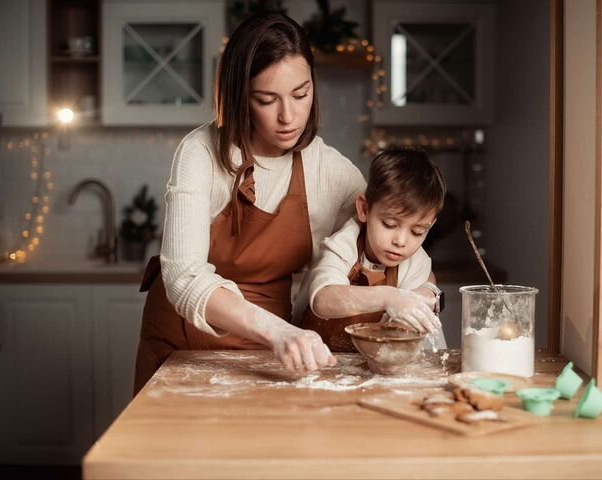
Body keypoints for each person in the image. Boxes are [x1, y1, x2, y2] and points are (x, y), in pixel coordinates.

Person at [133, 12, 369, 395]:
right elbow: (182, 277)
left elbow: (389, 244)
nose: (288, 117)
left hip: (269, 357)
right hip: (181, 350)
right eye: (266, 99)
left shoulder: (331, 172)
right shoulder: (200, 153)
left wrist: (422, 292)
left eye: (301, 94)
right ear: (240, 95)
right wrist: (276, 330)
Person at [300, 148, 448, 352]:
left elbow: (409, 334)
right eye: (389, 224)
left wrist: (425, 297)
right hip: (320, 357)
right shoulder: (343, 244)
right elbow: (323, 300)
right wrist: (390, 297)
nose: (401, 241)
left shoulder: (417, 262)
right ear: (364, 209)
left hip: (375, 361)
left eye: (417, 231)